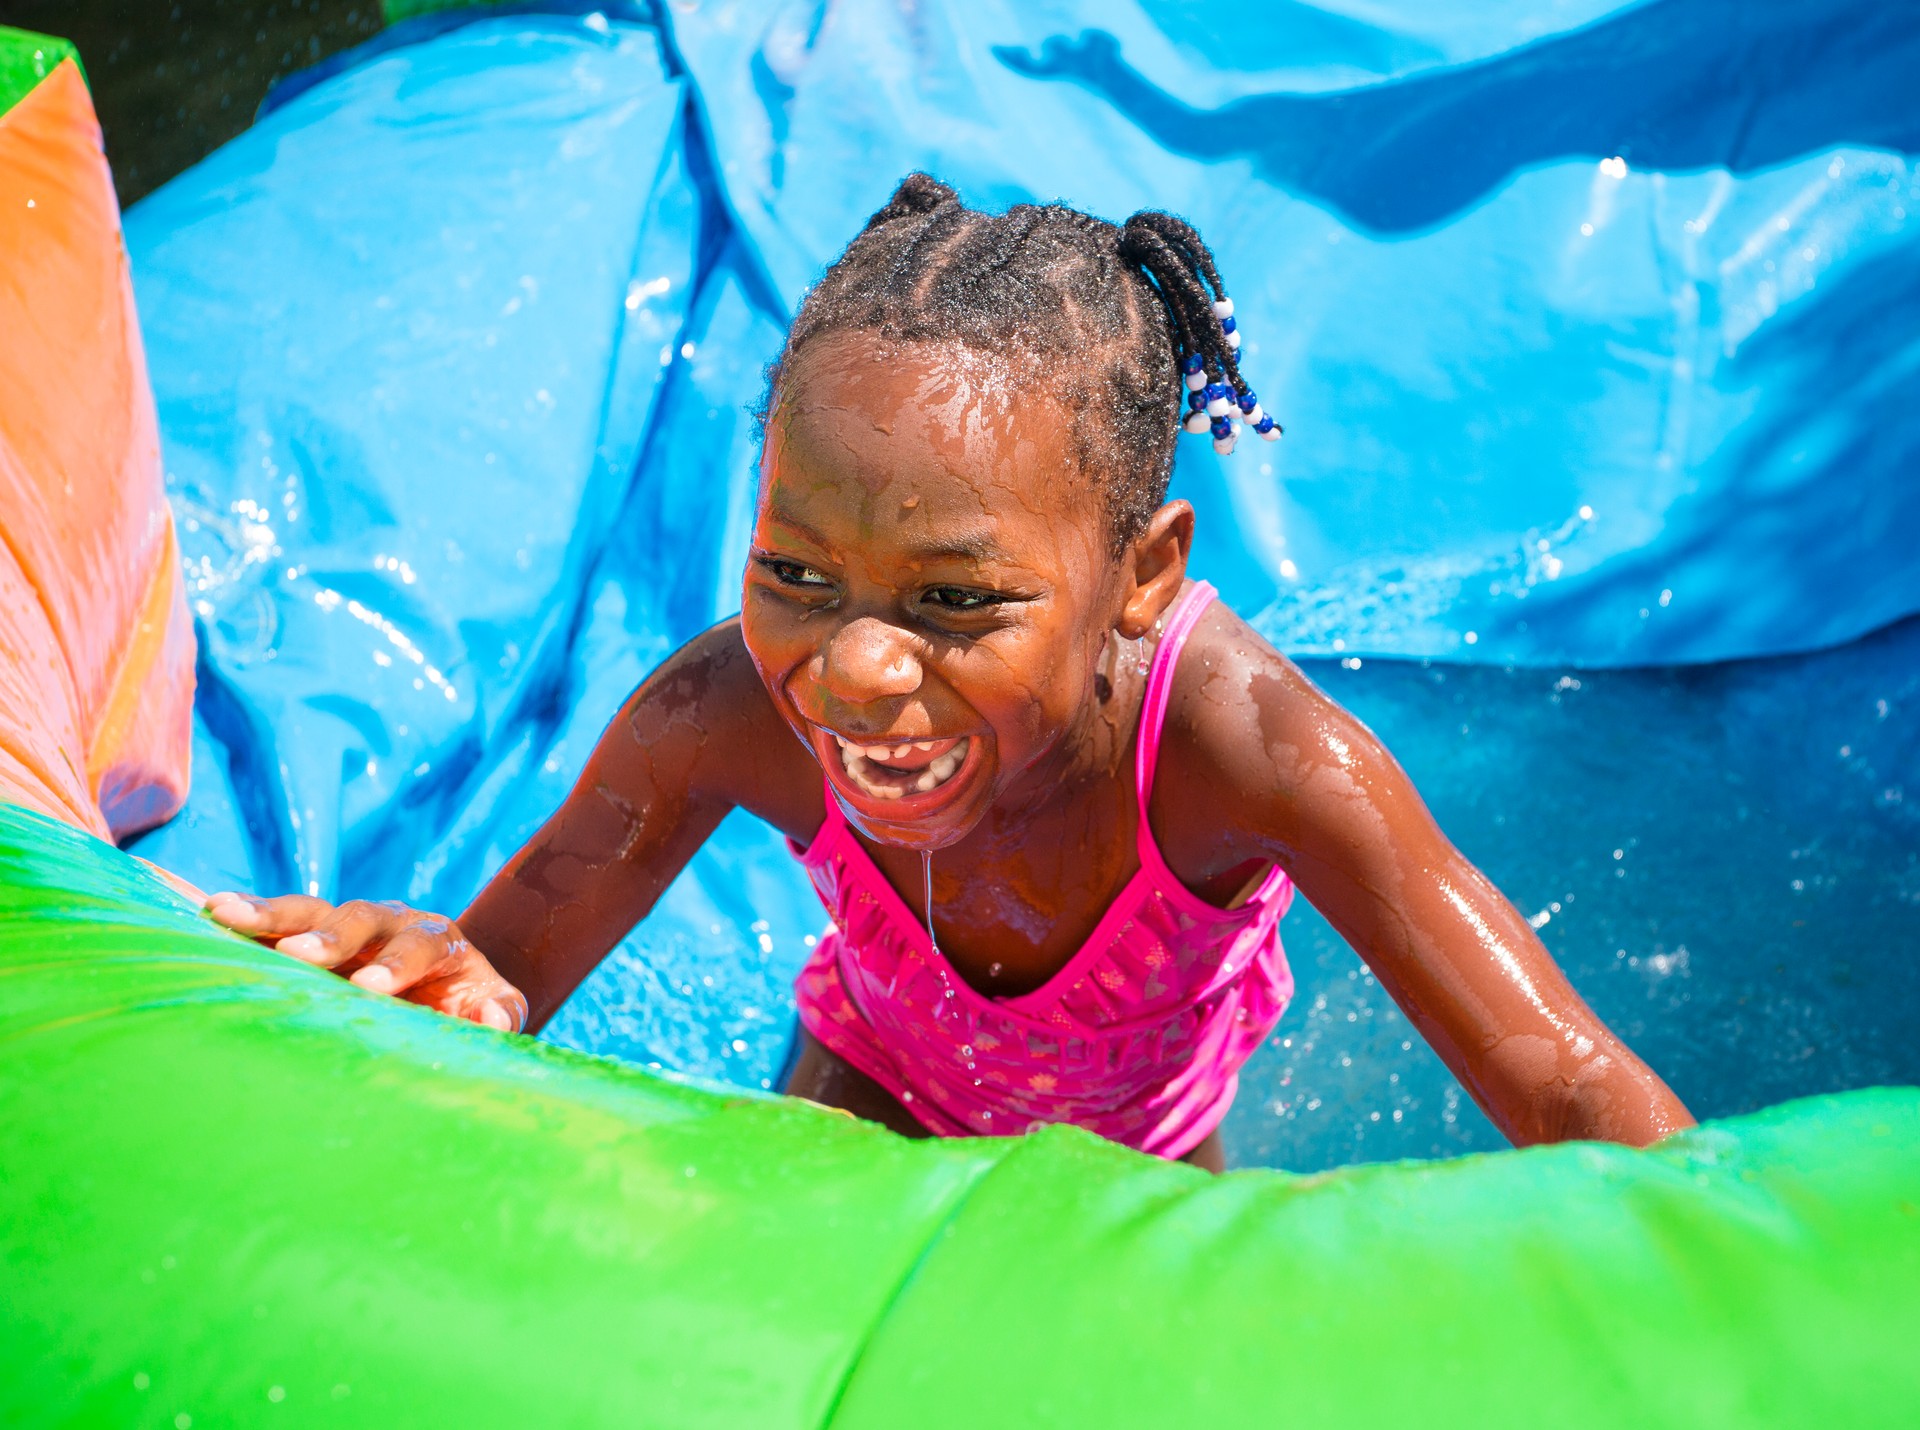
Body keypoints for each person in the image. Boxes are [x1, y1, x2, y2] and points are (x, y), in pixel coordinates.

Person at [205, 174, 1693, 1171]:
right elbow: (509, 959)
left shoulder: (1255, 759)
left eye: (955, 599)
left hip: (1147, 1154)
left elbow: (1565, 1087)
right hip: (867, 1085)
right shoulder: (726, 714)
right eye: (796, 572)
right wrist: (431, 972)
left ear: (1145, 571)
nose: (851, 667)